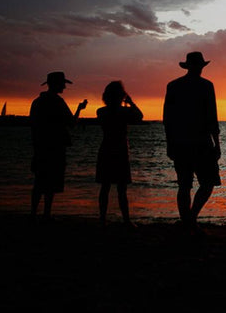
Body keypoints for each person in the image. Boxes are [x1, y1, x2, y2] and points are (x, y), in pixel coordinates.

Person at [163, 51, 221, 232]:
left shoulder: (173, 86)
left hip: (181, 142)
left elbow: (168, 118)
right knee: (205, 183)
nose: (199, 69)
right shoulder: (206, 86)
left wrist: (169, 142)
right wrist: (217, 144)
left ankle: (188, 220)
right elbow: (212, 117)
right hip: (200, 142)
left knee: (185, 185)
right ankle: (191, 219)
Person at [29, 71, 87, 222]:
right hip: (55, 147)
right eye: (63, 84)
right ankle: (46, 214)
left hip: (40, 146)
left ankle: (33, 214)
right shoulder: (58, 102)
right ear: (56, 84)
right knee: (51, 184)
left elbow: (33, 126)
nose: (64, 87)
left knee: (39, 182)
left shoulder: (36, 102)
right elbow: (71, 123)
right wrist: (79, 109)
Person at [96, 81, 143, 227]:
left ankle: (102, 219)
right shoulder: (124, 112)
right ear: (121, 96)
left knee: (105, 187)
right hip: (121, 151)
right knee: (121, 189)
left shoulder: (101, 111)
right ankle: (126, 220)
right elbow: (139, 116)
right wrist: (130, 102)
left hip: (105, 150)